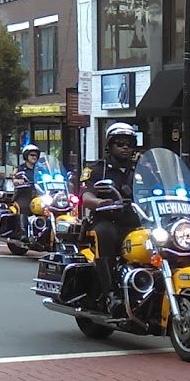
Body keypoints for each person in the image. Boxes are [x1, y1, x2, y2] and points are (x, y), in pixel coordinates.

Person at [79, 122, 140, 310]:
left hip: (137, 221)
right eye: (120, 143)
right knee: (106, 234)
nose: (125, 148)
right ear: (110, 145)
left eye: (129, 144)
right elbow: (86, 194)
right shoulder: (97, 169)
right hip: (107, 221)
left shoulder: (141, 170)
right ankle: (111, 293)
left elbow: (158, 189)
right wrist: (99, 202)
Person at [12, 143, 41, 239]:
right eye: (32, 155)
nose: (34, 157)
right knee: (24, 207)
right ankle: (23, 232)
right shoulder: (20, 169)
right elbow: (14, 179)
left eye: (36, 155)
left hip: (39, 195)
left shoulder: (40, 169)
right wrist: (18, 181)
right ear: (26, 156)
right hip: (24, 195)